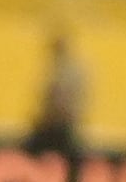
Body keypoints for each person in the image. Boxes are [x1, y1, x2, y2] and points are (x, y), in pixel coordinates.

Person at [26, 28, 86, 156]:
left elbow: (60, 99)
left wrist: (45, 118)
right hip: (61, 125)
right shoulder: (65, 69)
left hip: (57, 126)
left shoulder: (66, 71)